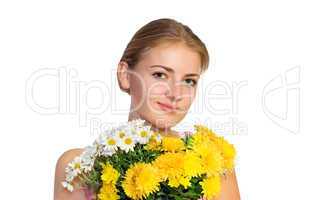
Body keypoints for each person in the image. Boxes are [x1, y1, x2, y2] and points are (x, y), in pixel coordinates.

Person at [54, 18, 240, 200]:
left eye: (189, 81)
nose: (176, 93)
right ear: (125, 75)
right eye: (160, 75)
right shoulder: (78, 167)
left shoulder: (214, 166)